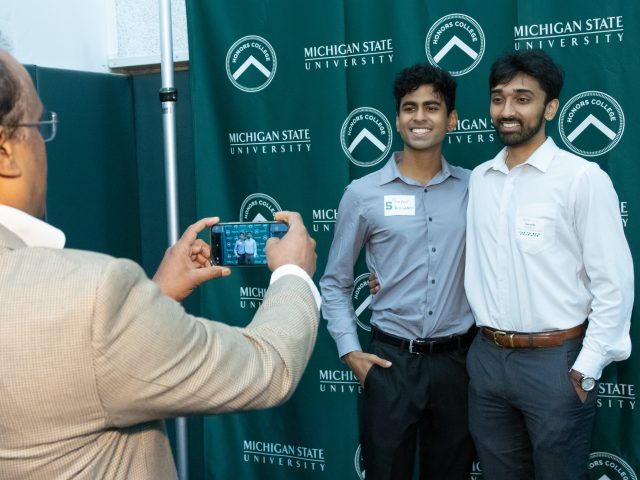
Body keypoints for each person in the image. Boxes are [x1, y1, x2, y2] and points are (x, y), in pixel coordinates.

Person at [0, 48, 320, 479]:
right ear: (6, 151)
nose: (44, 143)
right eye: (40, 126)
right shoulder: (91, 299)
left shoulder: (84, 309)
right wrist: (293, 273)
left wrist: (155, 296)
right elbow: (268, 369)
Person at [464, 49, 633, 479]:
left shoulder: (581, 178)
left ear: (550, 107)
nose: (507, 110)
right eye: (498, 98)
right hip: (486, 361)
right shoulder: (480, 180)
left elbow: (614, 281)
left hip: (556, 364)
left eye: (523, 98)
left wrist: (587, 367)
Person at [320, 63, 475, 480]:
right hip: (389, 363)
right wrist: (351, 353)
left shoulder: (477, 189)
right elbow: (334, 282)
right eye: (409, 108)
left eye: (432, 107)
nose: (420, 117)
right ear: (397, 119)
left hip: (457, 365)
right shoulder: (363, 194)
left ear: (452, 119)